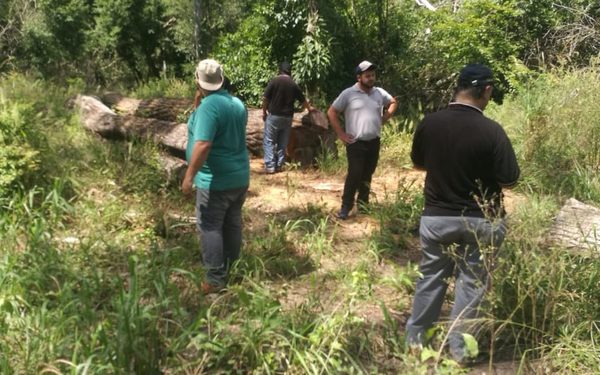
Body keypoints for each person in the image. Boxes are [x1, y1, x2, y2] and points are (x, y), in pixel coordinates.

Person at [405, 63, 520, 364]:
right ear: (486, 90)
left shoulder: (429, 123)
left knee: (430, 278)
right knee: (473, 285)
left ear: (458, 88)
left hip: (437, 218)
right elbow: (510, 179)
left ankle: (417, 346)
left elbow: (419, 164)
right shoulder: (492, 131)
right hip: (483, 220)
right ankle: (462, 352)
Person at [182, 59, 250, 294]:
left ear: (197, 80)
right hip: (238, 177)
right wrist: (198, 107)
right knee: (231, 223)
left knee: (210, 226)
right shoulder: (237, 103)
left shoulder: (209, 107)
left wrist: (189, 176)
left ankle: (215, 279)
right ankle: (232, 267)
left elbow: (203, 144)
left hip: (215, 180)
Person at [327, 60, 397, 219]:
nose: (371, 78)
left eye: (372, 75)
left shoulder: (379, 92)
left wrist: (385, 117)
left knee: (368, 173)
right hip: (355, 142)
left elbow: (392, 102)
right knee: (355, 173)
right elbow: (331, 112)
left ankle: (364, 205)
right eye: (367, 76)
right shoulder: (348, 94)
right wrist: (341, 134)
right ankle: (346, 207)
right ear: (359, 77)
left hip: (374, 141)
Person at [262, 62, 314, 173]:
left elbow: (265, 99)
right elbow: (303, 100)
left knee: (269, 141)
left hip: (274, 116)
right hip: (288, 117)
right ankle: (279, 165)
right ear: (290, 71)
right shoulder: (293, 84)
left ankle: (270, 166)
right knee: (282, 142)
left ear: (280, 70)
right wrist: (310, 110)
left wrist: (264, 112)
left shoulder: (274, 81)